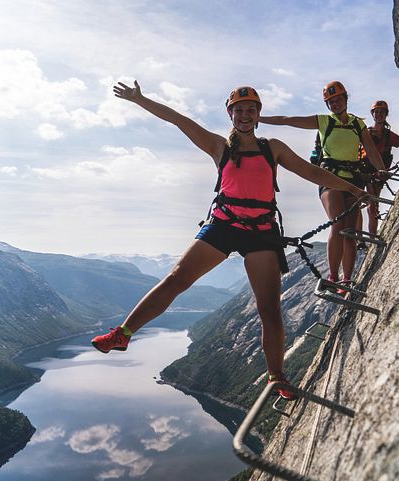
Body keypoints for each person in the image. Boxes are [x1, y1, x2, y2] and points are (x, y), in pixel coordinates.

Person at [91, 81, 370, 400]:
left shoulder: (272, 147)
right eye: (239, 110)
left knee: (269, 308)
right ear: (230, 114)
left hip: (260, 230)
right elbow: (179, 120)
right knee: (176, 279)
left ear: (258, 114)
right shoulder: (219, 146)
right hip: (224, 224)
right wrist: (140, 99)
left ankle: (276, 377)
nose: (245, 115)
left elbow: (311, 172)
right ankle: (123, 334)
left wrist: (349, 188)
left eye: (251, 110)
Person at [258, 81, 386, 295]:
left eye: (338, 99)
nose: (335, 104)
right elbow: (289, 120)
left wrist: (382, 169)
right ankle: (333, 276)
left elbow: (371, 150)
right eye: (331, 101)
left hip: (354, 180)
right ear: (327, 104)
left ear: (346, 99)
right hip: (330, 179)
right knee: (338, 224)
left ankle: (347, 279)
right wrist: (259, 118)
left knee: (351, 230)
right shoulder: (324, 121)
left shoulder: (357, 124)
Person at [359, 100, 399, 237]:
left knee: (372, 205)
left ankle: (371, 236)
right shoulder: (366, 132)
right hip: (362, 169)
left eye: (381, 112)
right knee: (360, 202)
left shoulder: (388, 135)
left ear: (385, 115)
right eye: (376, 112)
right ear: (373, 114)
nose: (378, 115)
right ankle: (361, 238)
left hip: (378, 173)